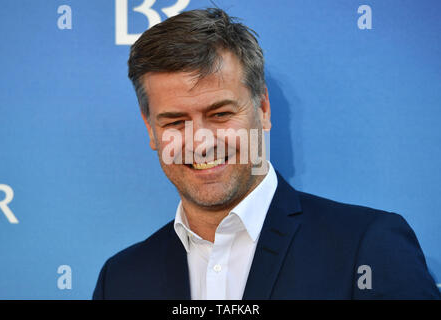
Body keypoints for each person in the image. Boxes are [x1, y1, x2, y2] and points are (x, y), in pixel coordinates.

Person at [93, 8, 440, 299]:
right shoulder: (121, 280)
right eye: (175, 121)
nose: (200, 143)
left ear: (263, 108)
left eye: (220, 114)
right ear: (150, 128)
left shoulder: (365, 247)